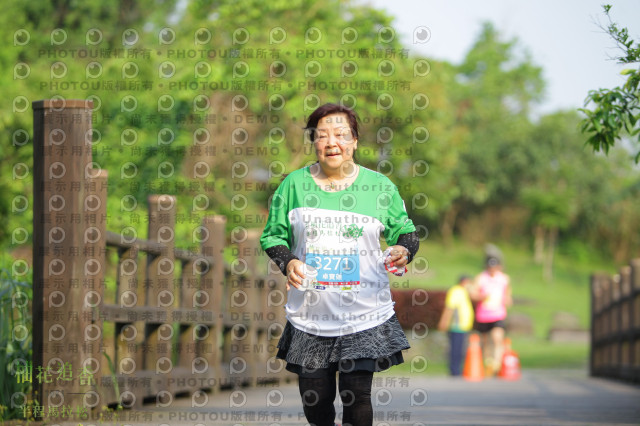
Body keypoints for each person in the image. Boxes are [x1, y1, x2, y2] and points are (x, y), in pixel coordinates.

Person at [260, 103, 419, 426]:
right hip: (311, 315)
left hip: (363, 312)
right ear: (313, 142)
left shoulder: (379, 186)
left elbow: (405, 232)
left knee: (356, 394)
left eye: (341, 134)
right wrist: (287, 261)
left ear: (355, 141)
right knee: (315, 398)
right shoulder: (293, 185)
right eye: (322, 136)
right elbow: (272, 236)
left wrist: (403, 248)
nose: (332, 142)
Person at [472, 256, 512, 376]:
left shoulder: (504, 278)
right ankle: (488, 363)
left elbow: (508, 293)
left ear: (499, 267)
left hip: (498, 314)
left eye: (494, 267)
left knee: (497, 338)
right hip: (483, 314)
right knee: (485, 341)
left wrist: (508, 299)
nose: (492, 269)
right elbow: (473, 293)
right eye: (490, 267)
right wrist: (481, 297)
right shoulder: (481, 278)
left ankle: (497, 363)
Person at [437, 275, 475, 376]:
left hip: (463, 327)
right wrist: (444, 321)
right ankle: (454, 371)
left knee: (460, 350)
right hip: (457, 326)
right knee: (456, 350)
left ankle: (458, 369)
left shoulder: (463, 292)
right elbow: (450, 308)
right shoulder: (456, 291)